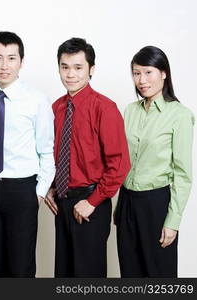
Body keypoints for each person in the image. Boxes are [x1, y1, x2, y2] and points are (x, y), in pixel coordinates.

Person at [44, 38, 131, 277]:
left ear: (91, 70)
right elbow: (53, 152)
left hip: (92, 201)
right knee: (64, 273)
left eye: (78, 67)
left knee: (88, 277)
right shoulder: (56, 108)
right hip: (63, 202)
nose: (70, 74)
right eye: (65, 67)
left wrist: (92, 202)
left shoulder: (105, 108)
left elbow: (119, 165)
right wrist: (51, 186)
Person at [0, 31, 55, 277]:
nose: (4, 65)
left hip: (22, 191)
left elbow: (46, 150)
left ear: (21, 61)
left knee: (21, 267)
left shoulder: (37, 100)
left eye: (11, 58)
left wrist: (38, 194)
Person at [115, 46, 194, 277]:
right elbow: (121, 160)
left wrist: (173, 221)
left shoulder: (179, 115)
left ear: (164, 73)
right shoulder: (130, 111)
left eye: (148, 72)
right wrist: (120, 205)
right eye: (136, 73)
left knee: (159, 275)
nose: (141, 80)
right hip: (128, 202)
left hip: (157, 205)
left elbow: (183, 174)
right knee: (130, 272)